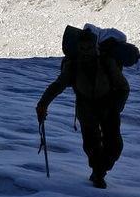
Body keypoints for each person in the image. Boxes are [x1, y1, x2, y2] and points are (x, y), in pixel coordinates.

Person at [36, 28, 130, 188]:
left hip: (108, 107)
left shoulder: (107, 63)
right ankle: (98, 174)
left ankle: (100, 170)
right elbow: (58, 85)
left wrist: (116, 108)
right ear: (78, 49)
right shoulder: (73, 66)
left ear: (96, 47)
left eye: (89, 48)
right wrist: (42, 104)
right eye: (82, 49)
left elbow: (123, 87)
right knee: (92, 144)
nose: (86, 52)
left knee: (115, 145)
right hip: (86, 109)